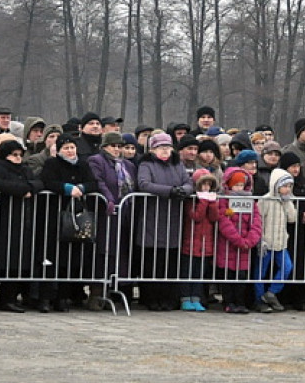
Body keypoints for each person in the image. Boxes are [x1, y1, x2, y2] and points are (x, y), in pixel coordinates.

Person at [40, 132, 99, 312]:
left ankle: (63, 297)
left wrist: (81, 188)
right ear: (59, 150)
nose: (70, 151)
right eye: (66, 148)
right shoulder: (51, 163)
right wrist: (65, 189)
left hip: (76, 217)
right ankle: (45, 297)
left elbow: (93, 183)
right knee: (50, 259)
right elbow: (47, 181)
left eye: (72, 147)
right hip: (54, 216)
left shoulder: (82, 164)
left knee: (70, 259)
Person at [135, 132, 192, 311]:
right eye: (161, 148)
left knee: (170, 260)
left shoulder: (178, 165)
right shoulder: (146, 164)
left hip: (173, 217)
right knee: (153, 260)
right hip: (153, 216)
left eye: (167, 147)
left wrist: (184, 190)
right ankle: (151, 298)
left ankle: (169, 298)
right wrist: (169, 191)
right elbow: (144, 184)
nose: (165, 151)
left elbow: (189, 182)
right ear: (152, 150)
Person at [0, 140, 44, 312]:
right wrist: (21, 190)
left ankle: (12, 296)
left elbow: (39, 183)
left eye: (20, 155)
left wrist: (29, 188)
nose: (18, 159)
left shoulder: (25, 169)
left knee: (19, 260)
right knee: (6, 260)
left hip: (23, 219)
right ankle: (4, 298)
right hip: (4, 220)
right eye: (14, 155)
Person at [89, 130, 138, 310]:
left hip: (125, 213)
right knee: (104, 251)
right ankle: (97, 293)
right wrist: (109, 198)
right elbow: (99, 182)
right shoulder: (97, 161)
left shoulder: (129, 165)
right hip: (106, 213)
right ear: (104, 147)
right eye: (113, 146)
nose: (117, 149)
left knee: (121, 252)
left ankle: (116, 291)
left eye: (120, 146)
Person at [216, 167, 262, 314]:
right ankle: (228, 302)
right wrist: (238, 239)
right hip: (228, 245)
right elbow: (224, 221)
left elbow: (256, 222)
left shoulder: (250, 201)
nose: (239, 188)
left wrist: (250, 240)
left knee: (242, 275)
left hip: (245, 246)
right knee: (228, 275)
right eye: (236, 185)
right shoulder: (224, 201)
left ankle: (240, 302)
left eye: (241, 185)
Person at [255, 168, 298, 313]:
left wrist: (289, 203)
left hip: (281, 242)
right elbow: (258, 220)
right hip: (267, 242)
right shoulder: (265, 200)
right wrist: (260, 239)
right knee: (261, 271)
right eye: (284, 186)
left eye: (289, 186)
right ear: (276, 185)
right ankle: (259, 298)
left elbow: (292, 218)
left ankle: (272, 292)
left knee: (287, 267)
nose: (287, 189)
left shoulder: (286, 201)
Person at [179, 169, 221, 311]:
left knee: (199, 273)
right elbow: (196, 216)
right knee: (187, 272)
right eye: (203, 185)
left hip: (205, 243)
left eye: (209, 185)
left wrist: (213, 203)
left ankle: (196, 298)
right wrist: (203, 200)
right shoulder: (191, 200)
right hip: (190, 242)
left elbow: (215, 217)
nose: (206, 188)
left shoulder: (211, 200)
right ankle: (185, 298)